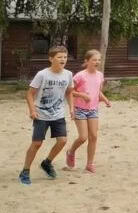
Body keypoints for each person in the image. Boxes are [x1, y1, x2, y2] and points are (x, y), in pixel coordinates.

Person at [19, 46, 75, 185]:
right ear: (51, 59)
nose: (63, 59)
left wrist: (72, 108)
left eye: (65, 57)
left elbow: (69, 92)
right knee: (37, 143)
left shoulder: (68, 74)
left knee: (62, 141)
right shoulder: (42, 74)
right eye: (59, 57)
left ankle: (47, 163)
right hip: (41, 114)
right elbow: (30, 94)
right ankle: (25, 171)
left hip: (58, 114)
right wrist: (32, 110)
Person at [65, 49, 112, 173]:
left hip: (93, 109)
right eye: (94, 60)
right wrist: (82, 95)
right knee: (83, 137)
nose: (97, 62)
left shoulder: (100, 75)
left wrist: (105, 100)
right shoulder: (80, 75)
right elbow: (69, 92)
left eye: (99, 60)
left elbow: (97, 91)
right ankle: (71, 152)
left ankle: (89, 164)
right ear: (87, 61)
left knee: (94, 136)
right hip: (79, 109)